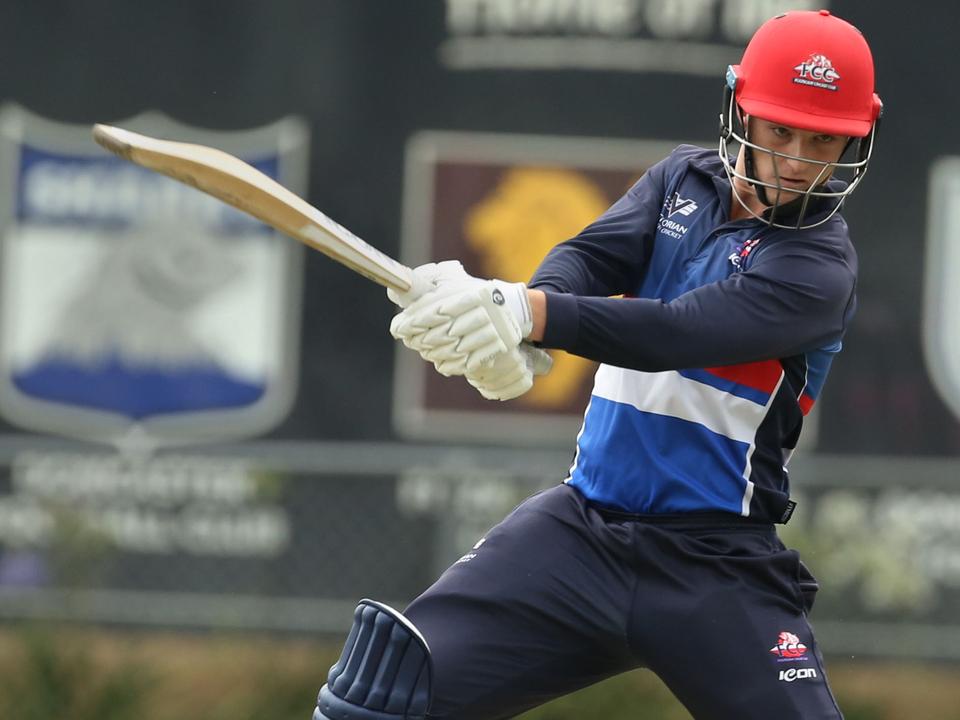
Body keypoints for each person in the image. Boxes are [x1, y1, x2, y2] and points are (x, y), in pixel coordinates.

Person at [314, 9, 881, 719]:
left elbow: (676, 332)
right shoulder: (683, 178)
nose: (797, 159)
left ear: (854, 142)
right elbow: (590, 256)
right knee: (377, 700)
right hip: (580, 534)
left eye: (822, 139)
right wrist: (524, 325)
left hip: (714, 565)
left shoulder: (818, 269)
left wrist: (526, 312)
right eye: (779, 131)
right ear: (740, 111)